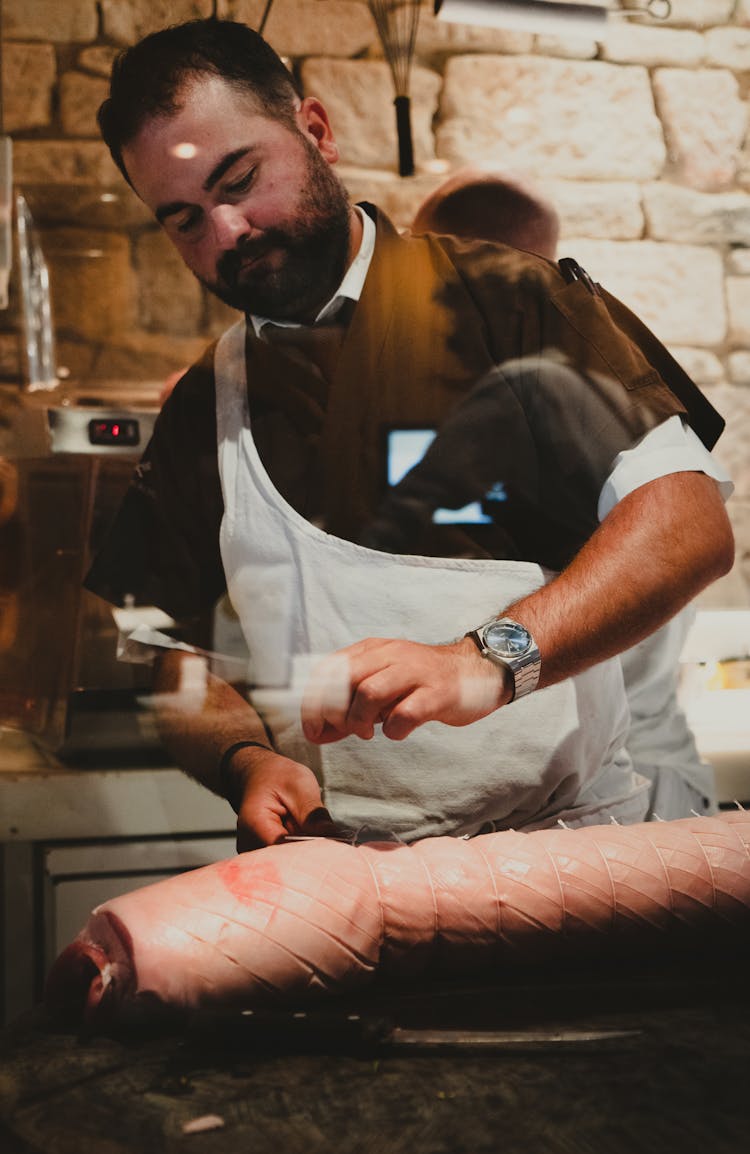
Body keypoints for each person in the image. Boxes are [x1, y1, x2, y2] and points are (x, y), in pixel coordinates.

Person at [86, 18, 733, 852]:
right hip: (338, 870)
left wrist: (484, 661)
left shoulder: (513, 302)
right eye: (183, 220)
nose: (226, 233)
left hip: (567, 856)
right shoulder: (208, 399)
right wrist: (243, 758)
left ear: (315, 130)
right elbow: (159, 651)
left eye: (240, 180)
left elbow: (688, 523)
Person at [410, 167, 721, 820]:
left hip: (625, 796)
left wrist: (480, 664)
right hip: (591, 785)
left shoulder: (562, 393)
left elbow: (690, 536)